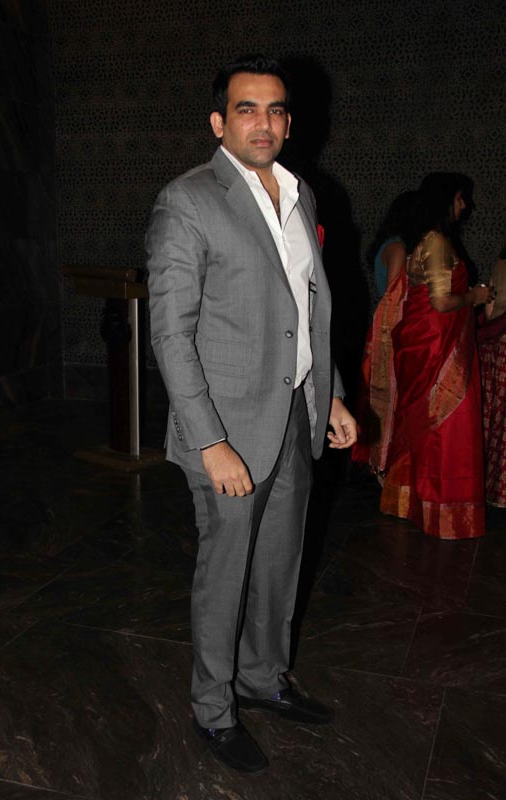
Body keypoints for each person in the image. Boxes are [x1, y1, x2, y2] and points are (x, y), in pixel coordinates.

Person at [146, 55, 357, 774]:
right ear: (218, 121)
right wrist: (210, 441)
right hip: (227, 430)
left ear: (288, 123)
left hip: (293, 414)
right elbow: (170, 334)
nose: (262, 123)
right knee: (226, 571)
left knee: (278, 563)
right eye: (245, 109)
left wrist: (329, 392)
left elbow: (306, 309)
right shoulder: (187, 200)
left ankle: (263, 678)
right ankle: (213, 708)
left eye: (274, 110)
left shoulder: (301, 194)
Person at [380, 172, 493, 539]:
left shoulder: (431, 240)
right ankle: (441, 511)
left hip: (433, 343)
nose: (464, 205)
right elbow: (441, 302)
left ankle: (412, 503)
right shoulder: (437, 241)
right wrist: (475, 297)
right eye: (460, 198)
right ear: (445, 200)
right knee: (446, 426)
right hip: (435, 349)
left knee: (427, 427)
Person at [353, 192, 420, 481]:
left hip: (387, 329)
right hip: (390, 331)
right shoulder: (397, 247)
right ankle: (382, 469)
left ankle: (383, 468)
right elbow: (395, 297)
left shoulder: (395, 244)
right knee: (387, 400)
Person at [478, 247, 506, 507]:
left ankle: (494, 488)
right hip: (500, 348)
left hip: (497, 348)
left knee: (496, 419)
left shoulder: (501, 264)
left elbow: (489, 312)